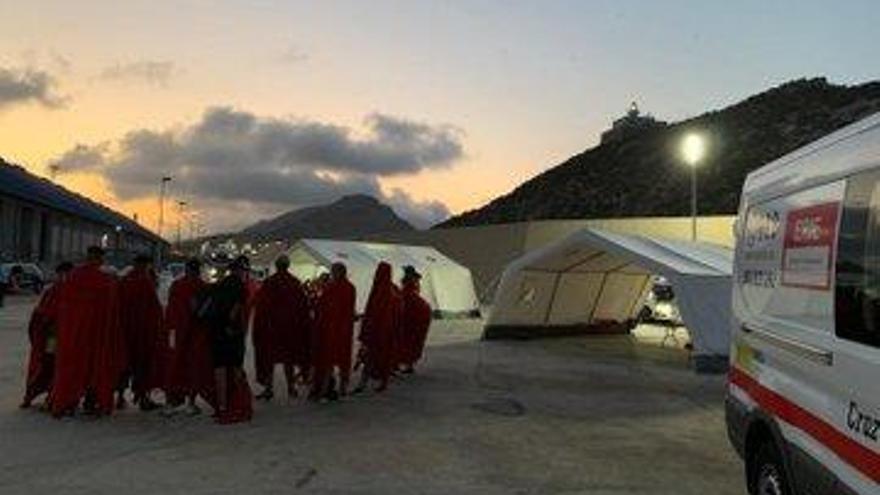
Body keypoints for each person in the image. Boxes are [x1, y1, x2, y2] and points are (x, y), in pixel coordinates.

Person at [50, 246, 124, 417]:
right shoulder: (106, 281)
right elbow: (112, 311)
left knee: (72, 368)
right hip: (97, 336)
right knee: (95, 368)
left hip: (74, 334)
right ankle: (91, 402)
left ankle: (66, 403)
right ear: (99, 259)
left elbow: (63, 306)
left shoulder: (73, 277)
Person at [199, 255, 252, 424]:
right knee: (235, 369)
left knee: (219, 370)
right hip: (231, 332)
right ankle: (237, 404)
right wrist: (230, 324)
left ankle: (221, 407)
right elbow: (236, 307)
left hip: (215, 332)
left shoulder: (218, 285)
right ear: (241, 270)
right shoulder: (239, 286)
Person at [252, 255, 311, 401]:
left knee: (269, 359)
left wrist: (260, 326)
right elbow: (302, 307)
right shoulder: (294, 283)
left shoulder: (269, 282)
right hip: (290, 329)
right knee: (288, 360)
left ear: (277, 266)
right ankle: (291, 388)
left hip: (272, 328)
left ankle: (269, 389)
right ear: (288, 266)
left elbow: (261, 306)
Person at [163, 258, 213, 415]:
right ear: (198, 270)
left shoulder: (177, 285)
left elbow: (170, 310)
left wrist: (169, 329)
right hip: (196, 333)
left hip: (177, 333)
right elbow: (206, 313)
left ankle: (171, 402)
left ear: (186, 269)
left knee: (174, 364)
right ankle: (191, 403)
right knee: (193, 366)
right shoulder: (204, 287)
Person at [20, 262, 73, 409]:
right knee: (48, 364)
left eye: (66, 274)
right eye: (62, 273)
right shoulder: (53, 291)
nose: (64, 277)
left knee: (55, 366)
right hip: (53, 337)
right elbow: (42, 313)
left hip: (64, 336)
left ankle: (52, 395)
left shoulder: (71, 291)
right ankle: (34, 396)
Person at [118, 254, 164, 411]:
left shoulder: (125, 280)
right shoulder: (145, 282)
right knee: (143, 366)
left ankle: (120, 397)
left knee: (123, 363)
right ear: (145, 265)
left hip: (125, 330)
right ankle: (143, 398)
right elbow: (154, 308)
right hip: (143, 332)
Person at [311, 263, 356, 401]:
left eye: (333, 272)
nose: (331, 274)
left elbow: (322, 307)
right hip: (345, 330)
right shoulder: (350, 288)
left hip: (331, 330)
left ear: (338, 272)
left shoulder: (330, 288)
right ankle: (343, 390)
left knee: (328, 362)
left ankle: (324, 392)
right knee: (343, 361)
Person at [355, 262, 402, 393]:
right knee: (379, 358)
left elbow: (373, 311)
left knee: (371, 358)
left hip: (377, 331)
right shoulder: (391, 290)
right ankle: (379, 383)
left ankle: (364, 384)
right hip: (384, 332)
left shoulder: (382, 289)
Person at [398, 266, 432, 374]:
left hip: (410, 310)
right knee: (411, 338)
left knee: (406, 337)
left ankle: (406, 363)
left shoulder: (409, 282)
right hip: (415, 310)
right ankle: (409, 364)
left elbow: (406, 294)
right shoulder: (415, 282)